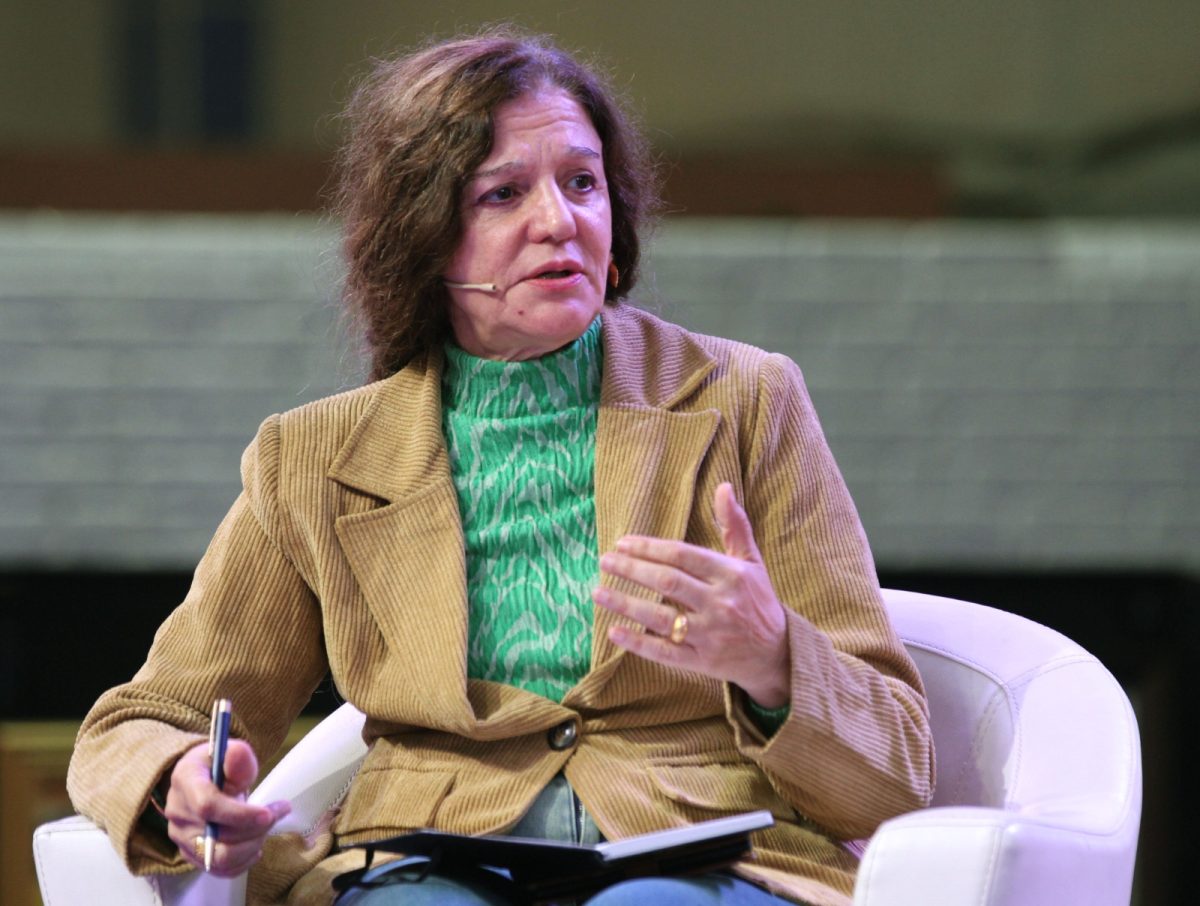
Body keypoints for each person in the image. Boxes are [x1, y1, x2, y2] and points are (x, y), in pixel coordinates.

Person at [67, 28, 933, 906]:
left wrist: (775, 659)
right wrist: (182, 778)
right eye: (503, 193)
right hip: (429, 858)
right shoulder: (315, 460)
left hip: (697, 852)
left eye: (583, 182)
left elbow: (897, 769)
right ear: (425, 234)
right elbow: (147, 719)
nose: (559, 221)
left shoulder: (747, 399)